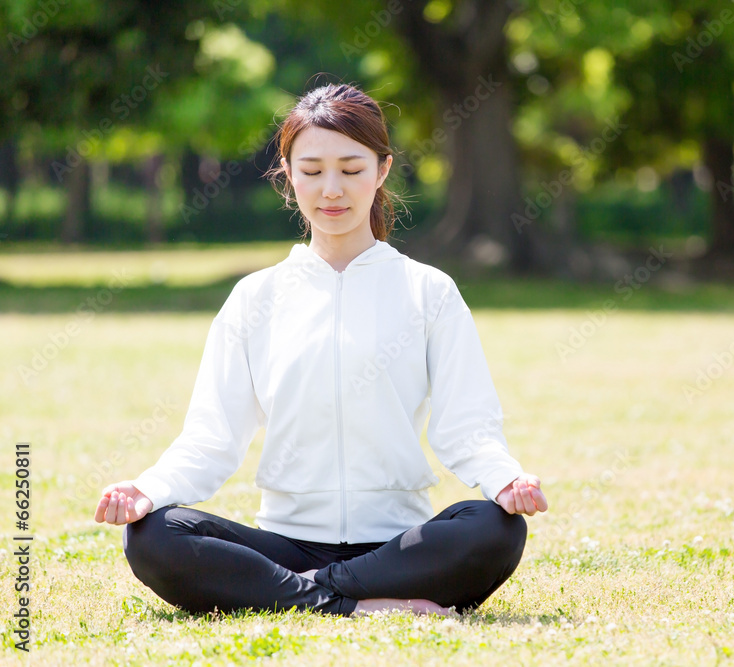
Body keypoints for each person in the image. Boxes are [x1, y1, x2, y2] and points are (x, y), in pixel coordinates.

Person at [93, 82, 548, 618]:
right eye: (312, 171)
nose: (332, 189)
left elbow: (466, 429)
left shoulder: (430, 292)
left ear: (382, 170)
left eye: (352, 170)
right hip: (285, 541)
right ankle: (363, 605)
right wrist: (147, 488)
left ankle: (297, 591)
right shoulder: (255, 298)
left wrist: (505, 477)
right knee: (154, 535)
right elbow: (212, 439)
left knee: (495, 527)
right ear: (287, 174)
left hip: (397, 548)